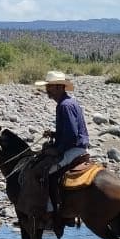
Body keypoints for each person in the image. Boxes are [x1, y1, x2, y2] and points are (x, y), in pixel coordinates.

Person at [34, 70, 91, 214]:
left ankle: (50, 210)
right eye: (47, 87)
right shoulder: (68, 102)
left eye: (50, 87)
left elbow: (72, 135)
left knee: (45, 172)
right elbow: (69, 131)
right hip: (77, 147)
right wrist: (54, 134)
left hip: (73, 149)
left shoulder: (64, 106)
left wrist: (57, 150)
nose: (47, 90)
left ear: (60, 87)